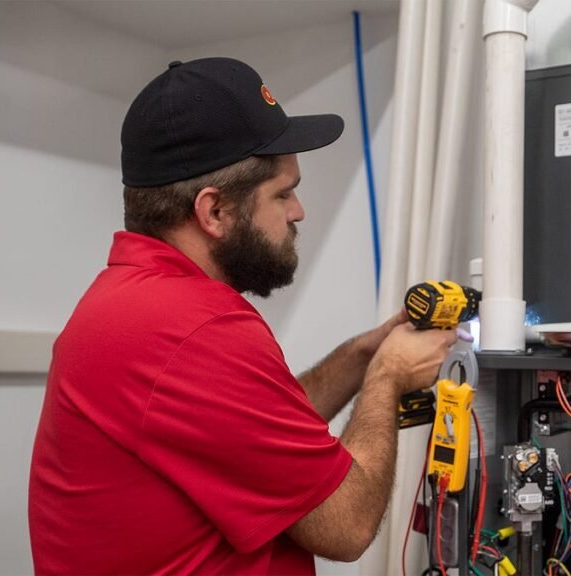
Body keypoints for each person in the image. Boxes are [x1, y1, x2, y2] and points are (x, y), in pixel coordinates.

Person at [28, 57, 458, 575]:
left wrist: (364, 353)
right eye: (283, 192)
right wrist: (387, 378)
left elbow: (255, 434)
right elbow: (347, 527)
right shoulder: (194, 329)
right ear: (214, 212)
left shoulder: (133, 302)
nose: (298, 211)